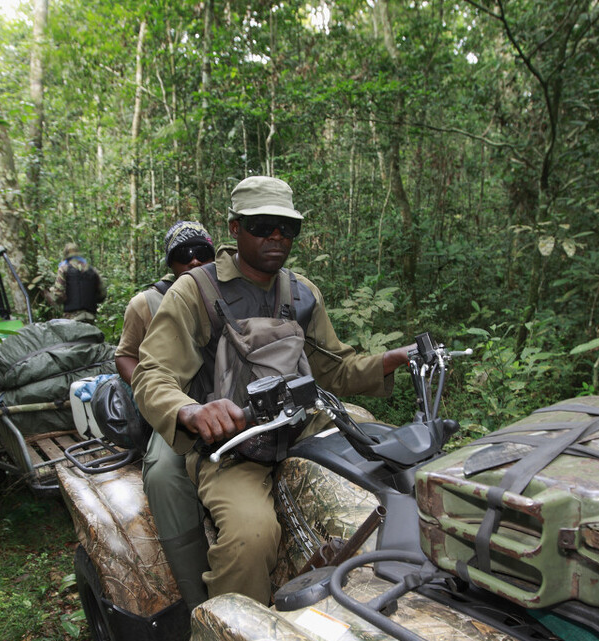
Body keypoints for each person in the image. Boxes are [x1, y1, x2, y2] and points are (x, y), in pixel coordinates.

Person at [132, 177, 413, 605]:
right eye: (264, 225)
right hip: (234, 446)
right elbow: (152, 373)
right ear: (235, 228)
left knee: (394, 468)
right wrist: (190, 412)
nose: (277, 236)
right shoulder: (195, 292)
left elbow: (334, 369)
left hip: (302, 426)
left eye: (287, 228)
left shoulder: (301, 293)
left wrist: (385, 363)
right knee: (251, 537)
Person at [116, 221, 216, 610]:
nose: (193, 261)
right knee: (162, 474)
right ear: (170, 262)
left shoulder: (231, 288)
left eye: (201, 253)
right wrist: (151, 394)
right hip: (179, 402)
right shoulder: (147, 304)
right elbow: (126, 354)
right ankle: (197, 602)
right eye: (182, 255)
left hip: (236, 394)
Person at [50, 243, 106, 323]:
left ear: (66, 254)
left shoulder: (64, 268)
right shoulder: (93, 270)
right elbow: (102, 294)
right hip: (90, 316)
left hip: (72, 316)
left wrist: (53, 295)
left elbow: (59, 294)